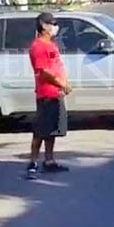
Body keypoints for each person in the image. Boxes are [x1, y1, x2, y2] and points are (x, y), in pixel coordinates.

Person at [27, 12, 71, 180]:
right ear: (44, 26)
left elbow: (56, 66)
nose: (55, 27)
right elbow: (43, 73)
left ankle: (49, 160)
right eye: (52, 23)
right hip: (46, 93)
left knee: (52, 130)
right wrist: (62, 84)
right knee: (40, 130)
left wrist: (63, 83)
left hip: (55, 93)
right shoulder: (38, 47)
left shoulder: (51, 45)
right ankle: (33, 162)